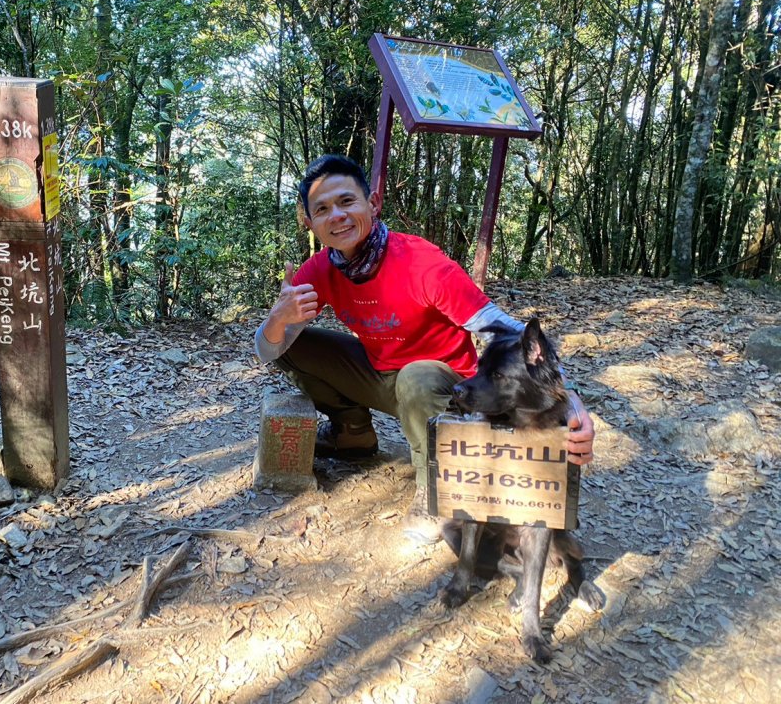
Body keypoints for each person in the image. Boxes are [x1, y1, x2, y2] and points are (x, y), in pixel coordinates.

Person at [254, 154, 595, 544]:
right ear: (310, 222)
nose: (338, 216)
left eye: (348, 202)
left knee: (415, 378)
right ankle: (354, 435)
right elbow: (268, 351)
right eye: (323, 209)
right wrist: (276, 321)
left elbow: (512, 334)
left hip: (446, 388)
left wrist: (570, 400)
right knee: (297, 346)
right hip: (380, 375)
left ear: (373, 203)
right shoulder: (319, 271)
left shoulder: (423, 264)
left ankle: (434, 487)